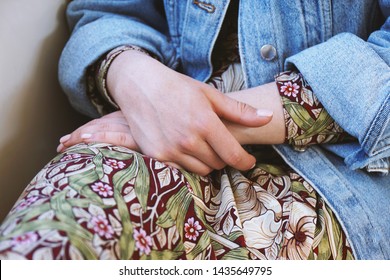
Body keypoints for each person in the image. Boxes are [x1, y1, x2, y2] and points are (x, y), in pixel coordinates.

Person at [0, 0, 389, 260]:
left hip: (341, 174)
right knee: (53, 236)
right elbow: (110, 11)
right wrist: (135, 79)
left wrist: (195, 119)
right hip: (155, 124)